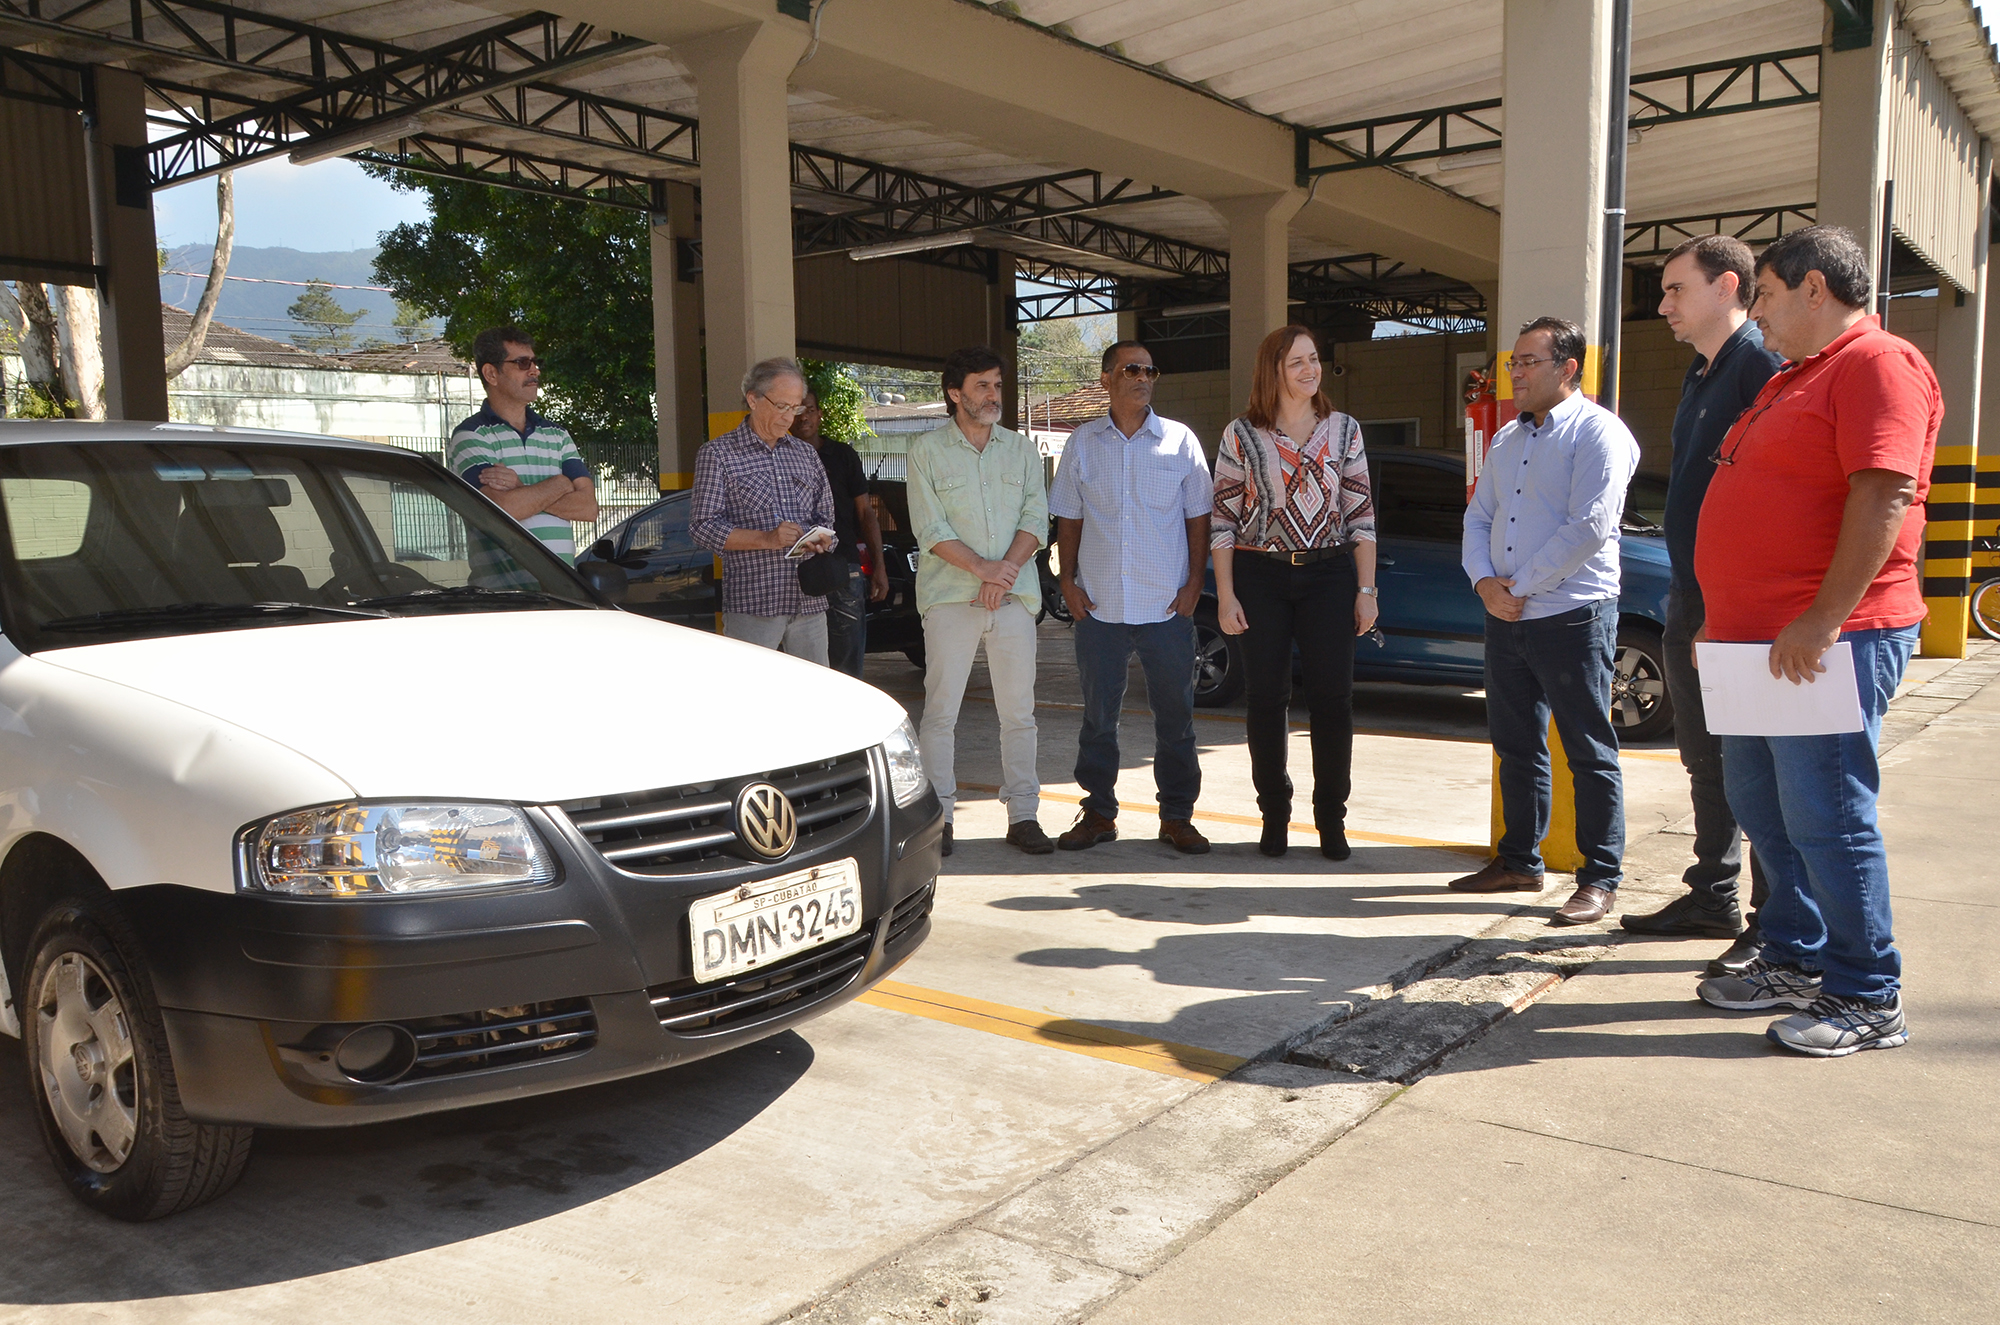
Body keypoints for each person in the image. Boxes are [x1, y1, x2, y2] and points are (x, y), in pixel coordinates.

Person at [1691, 224, 1938, 1057]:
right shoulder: (1798, 376)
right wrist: (1718, 618)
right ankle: (1795, 956)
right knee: (1764, 808)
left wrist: (1824, 619)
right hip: (1753, 640)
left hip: (1824, 637)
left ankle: (1869, 993)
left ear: (1813, 289)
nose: (1754, 312)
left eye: (1760, 292)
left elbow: (1883, 492)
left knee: (1827, 815)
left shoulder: (1877, 364)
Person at [1619, 236, 1784, 973]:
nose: (1663, 306)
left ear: (1726, 287)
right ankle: (1712, 893)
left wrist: (1724, 600)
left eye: (1675, 290)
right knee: (1707, 758)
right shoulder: (1703, 370)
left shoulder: (1758, 365)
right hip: (1690, 593)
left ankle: (1773, 920)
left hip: (1732, 602)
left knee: (1756, 764)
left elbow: (1766, 494)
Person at [1449, 317, 1639, 925]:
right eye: (1513, 363)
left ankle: (1600, 876)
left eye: (1529, 362)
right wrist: (1485, 584)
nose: (1517, 373)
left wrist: (1518, 588)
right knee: (1515, 743)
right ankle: (1518, 861)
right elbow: (1478, 517)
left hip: (1572, 615)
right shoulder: (1507, 440)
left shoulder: (1598, 435)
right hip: (1507, 616)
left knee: (1587, 746)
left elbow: (1588, 527)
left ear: (1568, 369)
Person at [1211, 325, 1379, 860]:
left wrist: (1367, 590)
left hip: (1330, 576)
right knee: (1266, 699)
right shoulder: (1241, 434)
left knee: (1333, 701)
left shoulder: (1345, 430)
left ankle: (1332, 818)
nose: (1311, 370)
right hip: (1260, 575)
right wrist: (1226, 594)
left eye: (1314, 359)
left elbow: (1362, 517)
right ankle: (1275, 816)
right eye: (1297, 363)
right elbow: (1222, 521)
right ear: (1273, 372)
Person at [1050, 340, 1214, 855]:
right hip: (1099, 606)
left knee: (1176, 718)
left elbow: (1199, 520)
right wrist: (1067, 581)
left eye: (1149, 370)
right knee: (1099, 716)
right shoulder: (1082, 443)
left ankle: (1177, 816)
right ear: (1106, 380)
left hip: (1166, 606)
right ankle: (1099, 811)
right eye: (1131, 369)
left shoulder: (1180, 442)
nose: (1143, 377)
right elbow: (1068, 519)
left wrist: (1193, 585)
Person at [906, 346, 1053, 857]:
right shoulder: (925, 451)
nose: (994, 395)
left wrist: (1002, 573)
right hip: (950, 599)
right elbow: (930, 528)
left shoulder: (1021, 451)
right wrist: (984, 570)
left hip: (1013, 599)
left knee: (1020, 714)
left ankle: (1024, 814)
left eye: (997, 385)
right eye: (983, 386)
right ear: (955, 393)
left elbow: (1037, 518)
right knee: (941, 712)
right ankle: (940, 816)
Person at [690, 358, 839, 663]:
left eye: (796, 407)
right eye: (782, 406)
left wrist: (823, 539)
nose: (790, 417)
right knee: (748, 697)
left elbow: (826, 516)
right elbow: (702, 526)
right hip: (754, 603)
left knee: (815, 696)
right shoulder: (717, 454)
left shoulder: (805, 454)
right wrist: (766, 539)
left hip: (808, 601)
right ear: (753, 399)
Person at [448, 326, 598, 562]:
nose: (535, 371)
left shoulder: (557, 435)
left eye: (536, 362)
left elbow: (588, 508)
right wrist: (560, 484)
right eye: (522, 363)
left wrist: (519, 487)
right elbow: (503, 509)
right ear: (491, 374)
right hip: (505, 596)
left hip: (562, 591)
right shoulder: (471, 435)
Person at [791, 387, 889, 678]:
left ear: (820, 415)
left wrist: (879, 567)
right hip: (793, 571)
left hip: (843, 567)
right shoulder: (778, 456)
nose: (803, 417)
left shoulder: (842, 455)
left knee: (847, 660)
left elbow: (865, 513)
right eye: (796, 410)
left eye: (809, 409)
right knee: (805, 666)